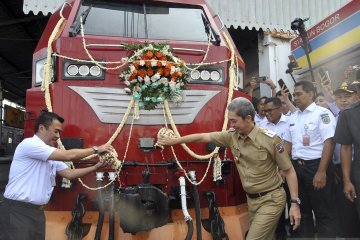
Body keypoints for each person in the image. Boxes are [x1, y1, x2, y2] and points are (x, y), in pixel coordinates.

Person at [157, 97, 301, 239]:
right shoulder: (231, 136)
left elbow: (289, 170)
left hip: (272, 199)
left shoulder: (270, 140)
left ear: (248, 118)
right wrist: (176, 141)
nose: (231, 125)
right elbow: (203, 137)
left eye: (234, 121)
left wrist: (294, 203)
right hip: (252, 201)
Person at [0, 111, 113, 240]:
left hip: (36, 213)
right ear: (42, 128)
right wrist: (97, 149)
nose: (58, 136)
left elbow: (69, 174)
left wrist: (95, 167)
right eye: (56, 131)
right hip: (18, 212)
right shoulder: (29, 144)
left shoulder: (49, 154)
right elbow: (68, 155)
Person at [283, 80, 336, 238]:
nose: (295, 97)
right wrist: (283, 167)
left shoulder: (322, 113)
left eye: (299, 94)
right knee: (302, 212)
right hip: (296, 170)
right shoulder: (293, 117)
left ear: (311, 94)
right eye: (294, 95)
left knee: (323, 213)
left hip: (317, 167)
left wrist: (321, 171)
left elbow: (330, 142)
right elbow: (287, 144)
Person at [331, 82, 360, 238]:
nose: (343, 100)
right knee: (349, 215)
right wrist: (345, 178)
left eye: (348, 95)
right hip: (349, 170)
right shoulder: (341, 116)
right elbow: (344, 148)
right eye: (339, 97)